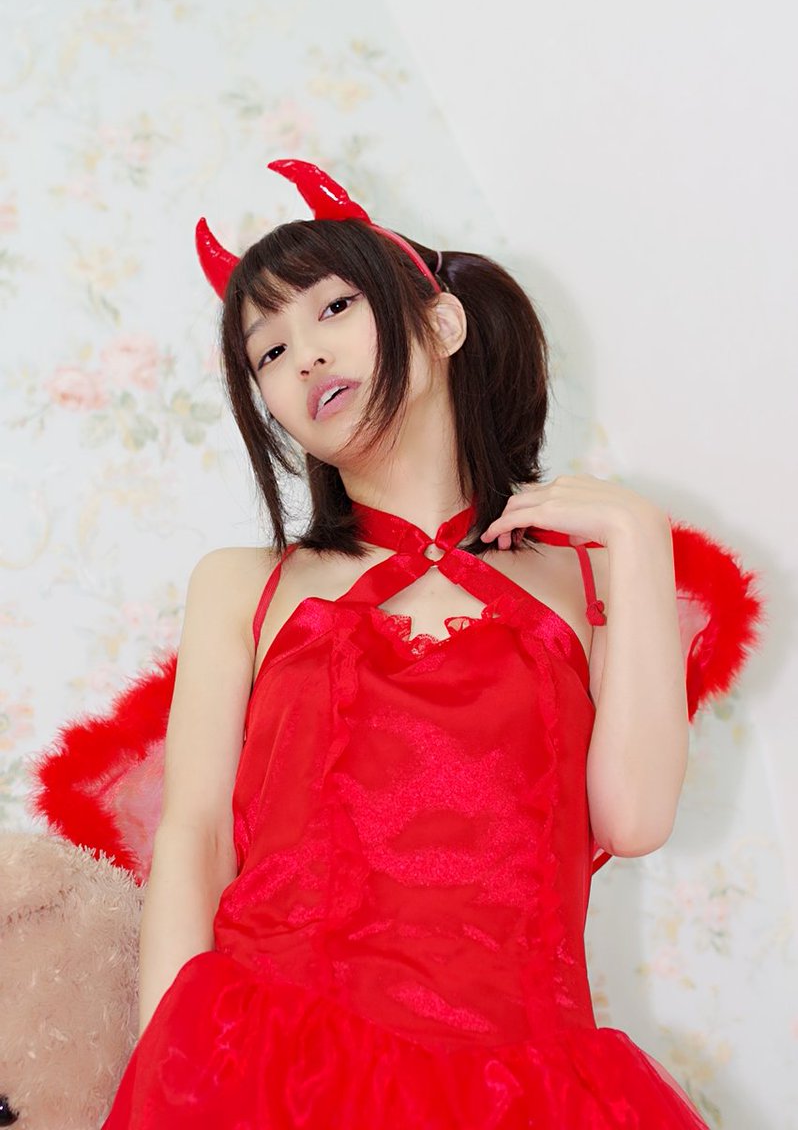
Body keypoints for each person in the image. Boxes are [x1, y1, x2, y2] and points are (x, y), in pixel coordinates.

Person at [100, 159, 763, 1128]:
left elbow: (631, 821)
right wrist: (170, 1074)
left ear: (442, 323)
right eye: (268, 351)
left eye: (334, 307)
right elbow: (193, 837)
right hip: (272, 1069)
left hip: (523, 1086)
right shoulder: (243, 584)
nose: (304, 356)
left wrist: (637, 537)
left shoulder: (586, 579)